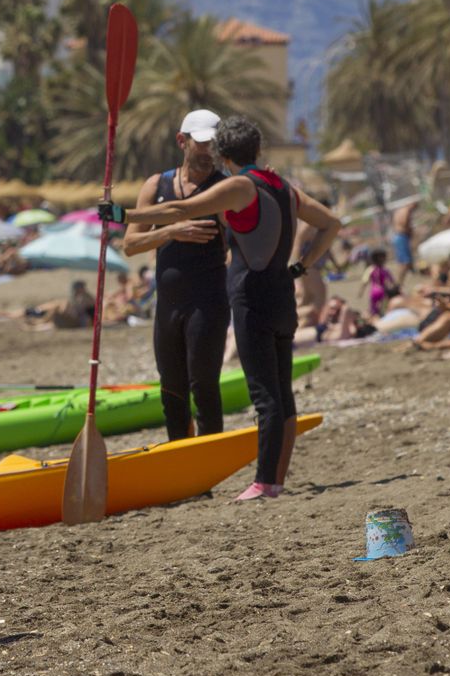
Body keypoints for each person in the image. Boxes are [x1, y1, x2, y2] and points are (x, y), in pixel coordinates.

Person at [104, 116, 341, 501]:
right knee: (257, 393)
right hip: (269, 293)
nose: (204, 151)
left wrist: (121, 215)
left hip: (239, 298)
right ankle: (268, 479)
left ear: (223, 153)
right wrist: (302, 265)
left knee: (246, 393)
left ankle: (256, 481)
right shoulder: (278, 184)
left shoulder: (234, 186)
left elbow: (178, 211)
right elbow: (331, 222)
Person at [122, 108, 229, 441]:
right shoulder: (156, 185)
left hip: (208, 301)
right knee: (171, 387)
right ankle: (181, 456)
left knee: (204, 383)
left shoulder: (224, 188)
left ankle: (208, 465)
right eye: (201, 144)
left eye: (213, 144)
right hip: (167, 304)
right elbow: (131, 244)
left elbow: (240, 244)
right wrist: (170, 232)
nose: (208, 152)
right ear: (182, 141)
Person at [363, 249, 398, 318]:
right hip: (382, 290)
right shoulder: (385, 270)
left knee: (373, 307)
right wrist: (396, 287)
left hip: (373, 290)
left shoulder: (370, 269)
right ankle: (383, 315)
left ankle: (374, 315)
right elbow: (392, 281)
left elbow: (365, 281)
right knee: (384, 306)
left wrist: (361, 292)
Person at [391, 200, 418, 285]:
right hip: (402, 237)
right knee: (405, 262)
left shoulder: (398, 211)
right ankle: (398, 284)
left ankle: (401, 282)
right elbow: (405, 224)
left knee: (404, 262)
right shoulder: (407, 211)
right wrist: (411, 231)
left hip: (398, 236)